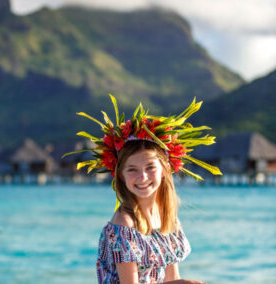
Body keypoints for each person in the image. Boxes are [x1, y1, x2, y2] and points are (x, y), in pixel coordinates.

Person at [66, 95, 221, 283]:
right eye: (132, 169)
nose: (143, 177)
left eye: (150, 168)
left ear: (165, 170)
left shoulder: (167, 216)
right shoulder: (124, 224)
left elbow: (171, 279)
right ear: (120, 175)